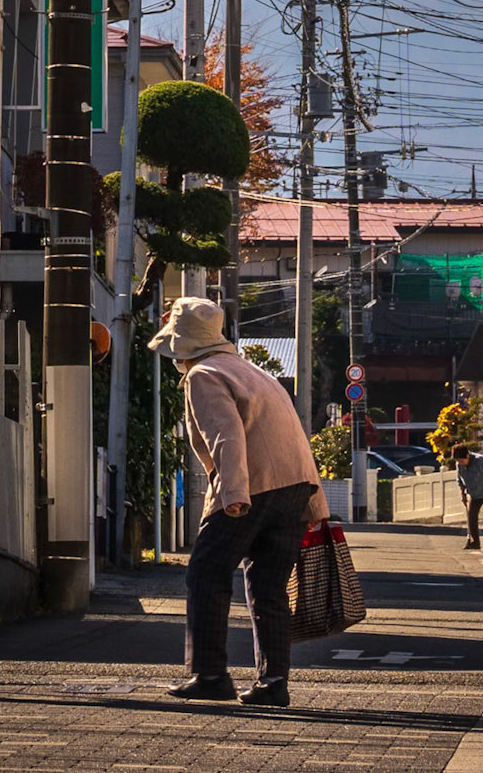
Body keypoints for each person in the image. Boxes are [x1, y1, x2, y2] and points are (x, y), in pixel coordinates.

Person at [151, 295, 329, 710]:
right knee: (268, 588)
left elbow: (225, 435)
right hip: (295, 488)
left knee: (206, 573)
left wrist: (232, 495)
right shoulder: (254, 372)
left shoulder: (204, 375)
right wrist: (315, 504)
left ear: (182, 345)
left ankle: (210, 674)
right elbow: (297, 436)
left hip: (251, 487)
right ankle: (273, 682)